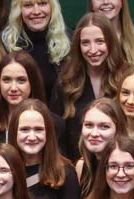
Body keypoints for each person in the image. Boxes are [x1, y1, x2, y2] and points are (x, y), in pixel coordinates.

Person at [51, 12, 125, 155]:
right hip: (75, 167)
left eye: (100, 41)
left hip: (118, 167)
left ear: (110, 42)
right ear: (78, 46)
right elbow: (56, 133)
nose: (93, 50)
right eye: (85, 43)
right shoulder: (65, 81)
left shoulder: (127, 78)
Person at [0, 51, 64, 151]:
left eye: (21, 80)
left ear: (32, 82)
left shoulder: (54, 124)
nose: (13, 88)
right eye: (7, 80)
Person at [1, 0, 71, 101]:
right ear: (19, 10)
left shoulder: (70, 41)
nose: (36, 11)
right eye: (28, 5)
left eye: (43, 3)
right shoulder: (5, 43)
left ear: (52, 7)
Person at [74, 98, 127, 196]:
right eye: (89, 125)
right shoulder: (81, 166)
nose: (94, 133)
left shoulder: (129, 168)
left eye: (104, 127)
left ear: (118, 130)